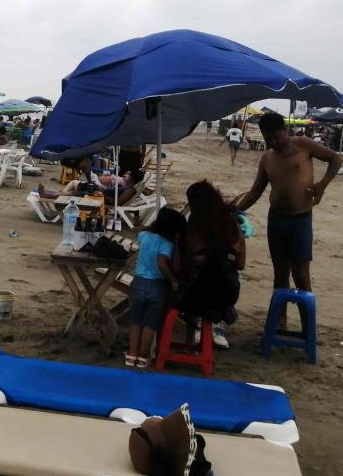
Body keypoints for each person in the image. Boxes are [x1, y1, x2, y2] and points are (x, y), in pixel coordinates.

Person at [232, 112, 341, 303]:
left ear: (285, 130)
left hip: (300, 219)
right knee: (280, 275)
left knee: (301, 276)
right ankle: (279, 322)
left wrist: (322, 185)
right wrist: (235, 211)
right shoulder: (267, 158)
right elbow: (255, 192)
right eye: (268, 138)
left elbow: (336, 159)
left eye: (276, 136)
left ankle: (307, 326)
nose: (273, 142)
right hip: (276, 220)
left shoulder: (303, 144)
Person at [175, 180, 246, 349]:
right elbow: (241, 264)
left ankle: (189, 339)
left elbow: (181, 264)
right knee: (211, 278)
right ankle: (214, 326)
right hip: (227, 293)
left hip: (194, 296)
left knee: (185, 282)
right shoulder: (231, 225)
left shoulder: (194, 228)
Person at [126, 207, 186, 368]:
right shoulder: (168, 243)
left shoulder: (144, 236)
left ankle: (132, 355)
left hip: (138, 282)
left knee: (135, 322)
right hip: (157, 286)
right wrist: (173, 280)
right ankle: (143, 357)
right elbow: (162, 263)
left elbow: (140, 234)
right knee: (150, 324)